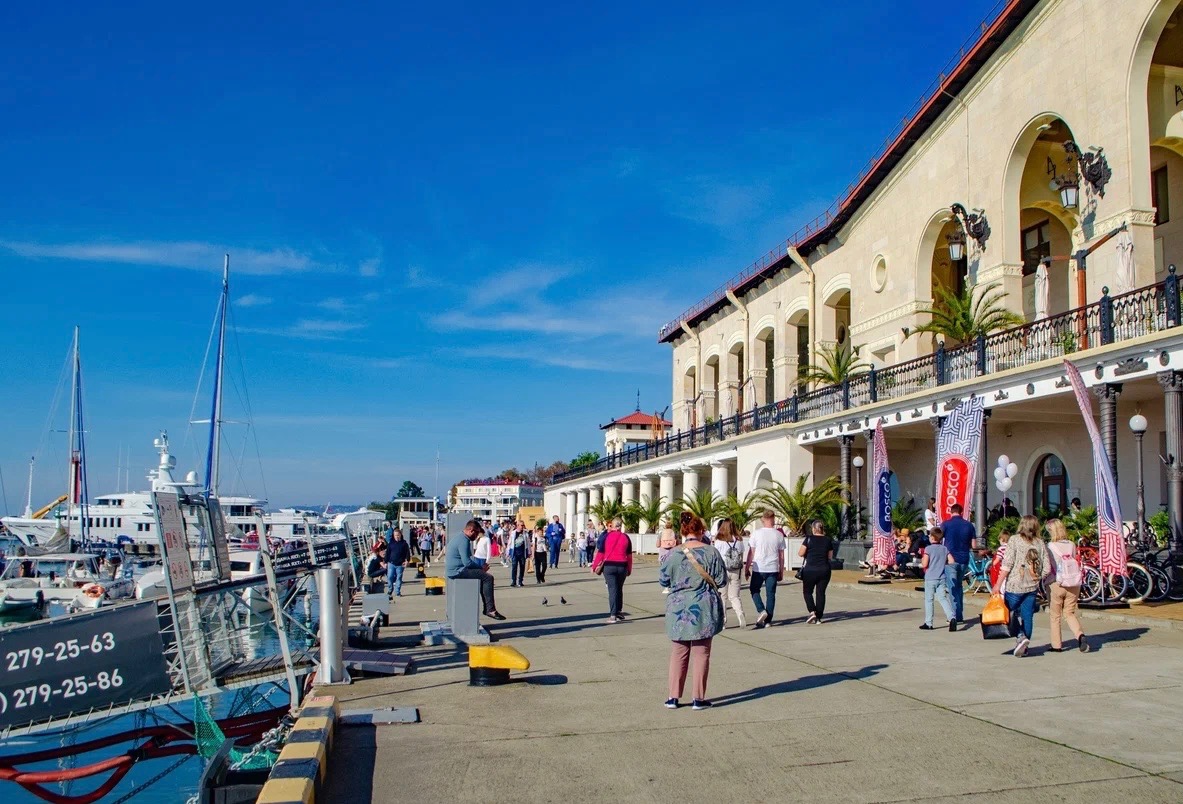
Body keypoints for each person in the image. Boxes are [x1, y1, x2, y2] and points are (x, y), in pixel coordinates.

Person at [660, 511, 726, 710]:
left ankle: (673, 697)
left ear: (682, 531)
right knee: (701, 652)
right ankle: (698, 698)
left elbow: (663, 580)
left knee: (678, 652)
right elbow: (721, 579)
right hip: (703, 607)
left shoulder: (673, 554)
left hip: (678, 609)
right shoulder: (711, 552)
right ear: (701, 531)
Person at [993, 514, 1051, 657]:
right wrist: (1038, 578)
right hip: (1032, 587)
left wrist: (998, 584)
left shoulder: (1014, 540)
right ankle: (1024, 647)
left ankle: (1020, 636)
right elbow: (1047, 568)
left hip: (1015, 585)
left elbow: (1007, 564)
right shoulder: (1040, 543)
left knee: (1006, 613)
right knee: (1027, 616)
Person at [444, 519, 506, 620]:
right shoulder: (463, 541)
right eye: (476, 533)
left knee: (482, 576)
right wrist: (481, 568)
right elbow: (467, 562)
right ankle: (490, 609)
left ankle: (488, 608)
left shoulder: (461, 537)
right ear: (471, 530)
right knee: (488, 578)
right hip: (457, 571)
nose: (477, 536)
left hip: (455, 569)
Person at [1045, 518, 1090, 653]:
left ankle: (1056, 645)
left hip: (1056, 583)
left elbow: (1047, 566)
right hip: (1073, 583)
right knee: (1069, 612)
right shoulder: (1071, 545)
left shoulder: (1049, 546)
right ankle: (1080, 635)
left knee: (1055, 615)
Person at [744, 510, 785, 628]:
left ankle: (761, 610)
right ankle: (768, 621)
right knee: (771, 594)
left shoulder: (756, 533)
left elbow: (751, 553)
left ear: (763, 519)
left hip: (759, 567)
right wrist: (781, 571)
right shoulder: (779, 535)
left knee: (754, 589)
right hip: (773, 568)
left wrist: (747, 567)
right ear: (773, 519)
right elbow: (781, 555)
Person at [591, 516, 633, 623]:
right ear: (621, 526)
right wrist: (629, 568)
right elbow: (629, 556)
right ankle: (618, 611)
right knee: (619, 588)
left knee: (612, 589)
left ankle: (613, 615)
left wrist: (594, 566)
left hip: (609, 566)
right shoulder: (626, 537)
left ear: (612, 525)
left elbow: (601, 553)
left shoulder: (607, 537)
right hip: (622, 566)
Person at [940, 503, 977, 624]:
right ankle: (959, 614)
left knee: (952, 587)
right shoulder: (969, 525)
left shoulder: (945, 524)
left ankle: (954, 615)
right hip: (964, 559)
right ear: (961, 512)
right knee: (959, 586)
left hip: (950, 559)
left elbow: (938, 538)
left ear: (951, 512)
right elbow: (974, 545)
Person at [919, 527, 956, 631]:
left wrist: (922, 560)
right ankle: (951, 617)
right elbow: (952, 561)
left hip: (930, 577)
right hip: (942, 577)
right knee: (943, 598)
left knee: (929, 600)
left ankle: (929, 623)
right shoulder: (944, 549)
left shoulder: (928, 549)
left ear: (932, 537)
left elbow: (924, 564)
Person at [798, 519, 834, 625]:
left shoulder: (809, 539)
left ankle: (812, 611)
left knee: (807, 592)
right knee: (821, 593)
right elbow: (830, 556)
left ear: (813, 529)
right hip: (824, 569)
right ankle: (818, 617)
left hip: (810, 570)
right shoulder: (828, 540)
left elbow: (800, 553)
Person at [713, 518, 746, 628]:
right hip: (736, 570)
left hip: (723, 570)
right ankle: (740, 614)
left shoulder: (719, 541)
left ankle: (723, 621)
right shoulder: (739, 540)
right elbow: (741, 556)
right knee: (735, 596)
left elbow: (716, 557)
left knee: (723, 596)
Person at [386, 529, 410, 599]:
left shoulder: (404, 543)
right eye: (395, 535)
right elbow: (387, 553)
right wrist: (385, 562)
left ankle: (397, 592)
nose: (397, 537)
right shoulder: (391, 543)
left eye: (398, 535)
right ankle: (390, 589)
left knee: (398, 578)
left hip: (400, 564)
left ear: (400, 535)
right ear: (393, 536)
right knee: (390, 577)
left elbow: (407, 553)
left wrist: (407, 561)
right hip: (391, 563)